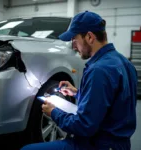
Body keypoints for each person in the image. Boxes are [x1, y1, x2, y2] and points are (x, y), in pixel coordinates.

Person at [21, 10, 138, 150]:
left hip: (97, 144)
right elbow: (111, 103)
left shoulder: (98, 70)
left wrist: (54, 112)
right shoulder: (125, 63)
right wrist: (77, 93)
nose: (73, 46)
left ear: (89, 37)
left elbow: (84, 126)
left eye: (74, 39)